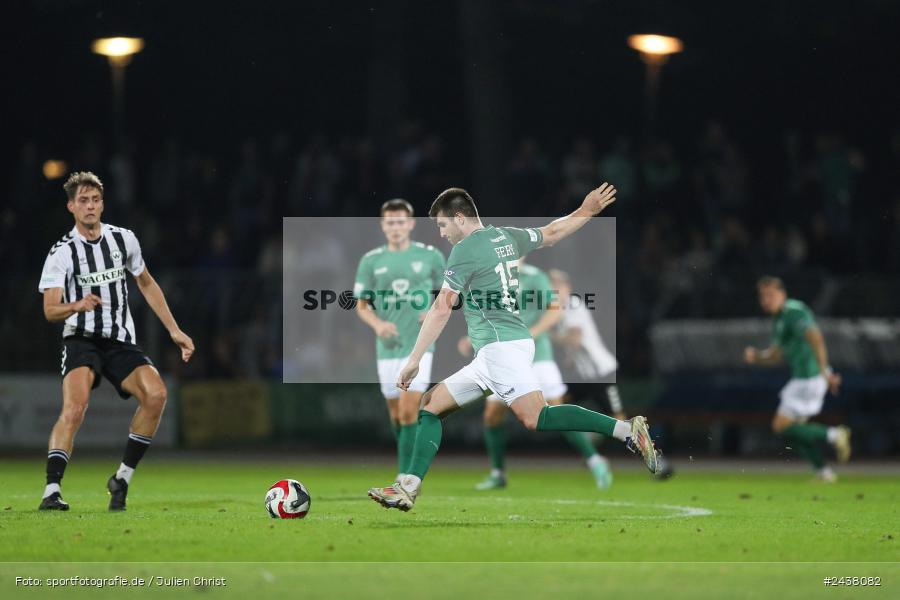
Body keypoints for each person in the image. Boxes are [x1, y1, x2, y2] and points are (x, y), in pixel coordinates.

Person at [368, 184, 659, 512]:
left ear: (460, 218)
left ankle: (626, 430)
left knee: (537, 416)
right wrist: (586, 211)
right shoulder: (506, 236)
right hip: (500, 347)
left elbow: (441, 308)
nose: (442, 233)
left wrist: (414, 359)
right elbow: (552, 232)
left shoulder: (465, 249)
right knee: (431, 405)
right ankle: (408, 486)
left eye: (443, 224)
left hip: (500, 348)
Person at [38, 171, 194, 511]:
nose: (90, 206)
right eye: (83, 201)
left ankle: (121, 478)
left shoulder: (124, 240)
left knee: (156, 395)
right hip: (81, 339)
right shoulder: (62, 252)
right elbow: (50, 310)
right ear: (71, 207)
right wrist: (76, 305)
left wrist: (174, 330)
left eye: (95, 200)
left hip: (119, 341)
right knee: (75, 408)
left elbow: (146, 283)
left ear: (103, 204)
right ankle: (52, 490)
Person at [464, 258, 613, 491]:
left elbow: (555, 310)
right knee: (492, 415)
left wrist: (531, 332)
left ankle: (595, 460)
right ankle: (498, 474)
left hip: (537, 356)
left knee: (555, 410)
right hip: (503, 358)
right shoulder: (493, 279)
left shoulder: (535, 277)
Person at [549, 268, 675, 481]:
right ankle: (591, 445)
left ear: (567, 288)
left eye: (556, 287)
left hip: (601, 376)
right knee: (556, 408)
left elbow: (575, 339)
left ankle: (657, 462)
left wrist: (546, 335)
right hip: (580, 378)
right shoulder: (555, 310)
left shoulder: (573, 305)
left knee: (620, 421)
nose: (553, 291)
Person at [353, 199, 446, 481]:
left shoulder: (430, 256)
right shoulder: (371, 260)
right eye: (390, 222)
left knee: (408, 412)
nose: (395, 227)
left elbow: (448, 294)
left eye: (400, 221)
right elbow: (361, 305)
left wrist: (432, 310)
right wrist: (378, 324)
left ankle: (406, 478)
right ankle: (407, 468)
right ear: (383, 226)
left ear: (411, 224)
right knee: (396, 416)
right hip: (387, 347)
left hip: (419, 345)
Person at [743, 276, 851, 482]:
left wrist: (825, 373)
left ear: (782, 294)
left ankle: (835, 435)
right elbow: (775, 355)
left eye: (771, 295)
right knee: (791, 430)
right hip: (804, 378)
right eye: (763, 296)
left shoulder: (794, 312)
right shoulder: (779, 319)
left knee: (780, 426)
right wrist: (757, 356)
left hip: (810, 377)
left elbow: (816, 338)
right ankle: (823, 472)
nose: (766, 300)